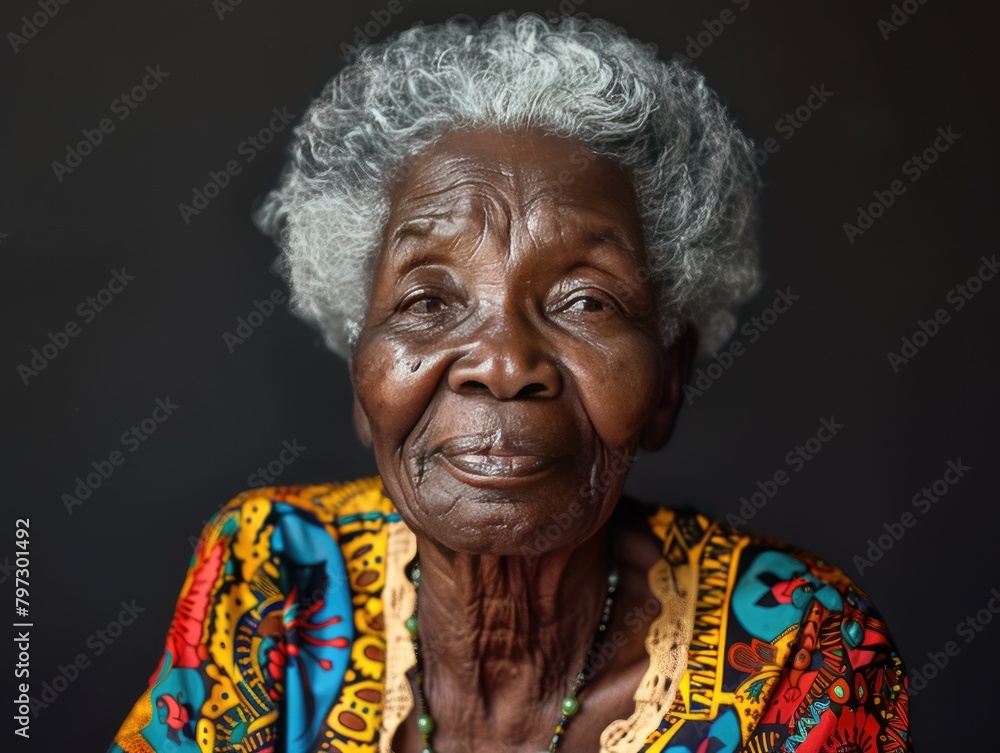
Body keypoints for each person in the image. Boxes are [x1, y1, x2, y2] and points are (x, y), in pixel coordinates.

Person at [107, 13, 911, 753]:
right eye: (428, 300)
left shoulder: (804, 653)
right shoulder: (272, 576)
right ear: (362, 381)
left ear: (669, 380)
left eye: (587, 300)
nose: (502, 362)